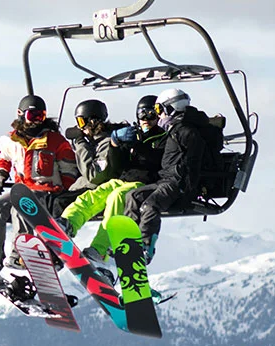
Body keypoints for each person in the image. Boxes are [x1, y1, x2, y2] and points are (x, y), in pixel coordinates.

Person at [55, 95, 167, 275]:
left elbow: (159, 162)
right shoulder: (133, 134)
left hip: (144, 182)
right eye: (141, 115)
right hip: (123, 178)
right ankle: (67, 222)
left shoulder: (164, 137)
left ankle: (99, 250)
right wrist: (116, 144)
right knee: (93, 195)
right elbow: (116, 165)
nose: (146, 119)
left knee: (117, 197)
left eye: (151, 115)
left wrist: (133, 145)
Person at [0, 94, 79, 272]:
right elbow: (4, 159)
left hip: (47, 191)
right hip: (21, 188)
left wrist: (64, 195)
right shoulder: (11, 140)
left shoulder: (54, 141)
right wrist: (0, 176)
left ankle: (22, 253)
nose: (36, 121)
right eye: (32, 116)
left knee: (21, 205)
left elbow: (69, 170)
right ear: (20, 114)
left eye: (41, 116)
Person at [124, 88, 211, 264]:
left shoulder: (187, 132)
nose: (159, 116)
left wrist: (188, 189)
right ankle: (128, 241)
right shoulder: (175, 130)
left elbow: (194, 162)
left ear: (170, 109)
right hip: (166, 179)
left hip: (178, 183)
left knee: (150, 205)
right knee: (133, 196)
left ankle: (145, 247)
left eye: (158, 110)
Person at [49, 100, 128, 216]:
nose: (80, 128)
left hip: (97, 190)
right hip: (83, 187)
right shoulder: (94, 142)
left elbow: (94, 175)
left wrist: (80, 142)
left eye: (81, 122)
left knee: (59, 203)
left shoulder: (107, 144)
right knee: (49, 200)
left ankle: (61, 231)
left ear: (93, 121)